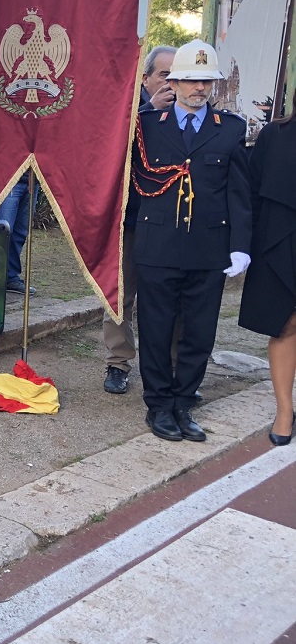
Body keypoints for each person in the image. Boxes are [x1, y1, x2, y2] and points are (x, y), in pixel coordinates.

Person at [131, 39, 250, 443]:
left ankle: (183, 403)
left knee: (199, 332)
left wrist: (240, 245)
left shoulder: (229, 129)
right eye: (192, 80)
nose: (200, 88)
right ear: (175, 82)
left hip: (208, 247)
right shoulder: (147, 125)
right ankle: (158, 405)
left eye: (207, 81)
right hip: (158, 245)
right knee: (156, 329)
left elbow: (239, 193)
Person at [102, 45, 177, 394]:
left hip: (172, 221)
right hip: (131, 219)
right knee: (121, 294)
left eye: (178, 76)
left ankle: (171, 365)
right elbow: (109, 150)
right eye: (165, 75)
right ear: (145, 78)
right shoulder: (127, 109)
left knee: (170, 297)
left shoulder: (188, 114)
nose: (172, 83)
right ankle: (118, 363)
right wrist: (148, 112)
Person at [238, 111, 296, 445]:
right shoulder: (275, 134)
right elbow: (252, 191)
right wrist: (248, 246)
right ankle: (285, 411)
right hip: (280, 241)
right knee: (286, 323)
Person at [0, 172, 39, 296]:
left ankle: (10, 277)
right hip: (11, 179)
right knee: (3, 232)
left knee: (20, 233)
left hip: (33, 182)